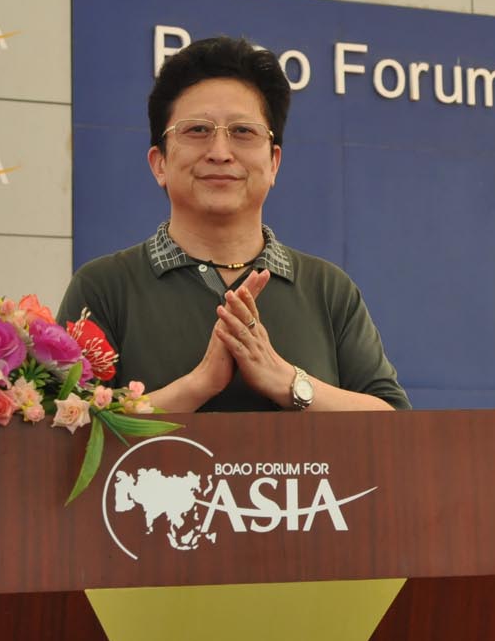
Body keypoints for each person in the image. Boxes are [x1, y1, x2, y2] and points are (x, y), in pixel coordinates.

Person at [56, 36, 410, 412]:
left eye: (243, 132)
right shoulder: (104, 288)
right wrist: (198, 385)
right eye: (197, 130)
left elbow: (394, 423)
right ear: (159, 163)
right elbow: (65, 424)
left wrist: (288, 381)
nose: (220, 153)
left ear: (273, 163)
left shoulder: (328, 289)